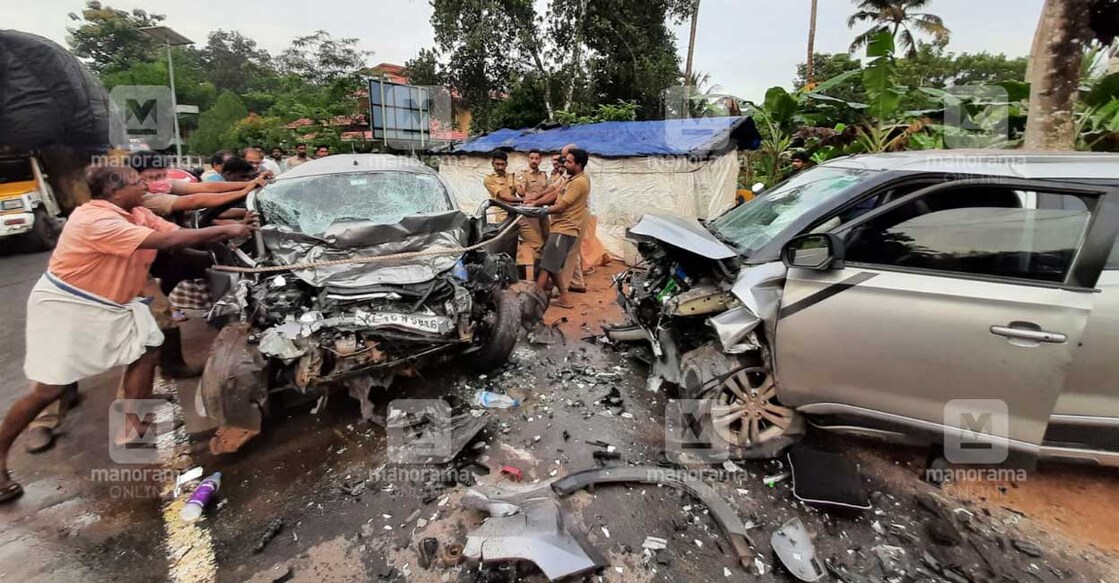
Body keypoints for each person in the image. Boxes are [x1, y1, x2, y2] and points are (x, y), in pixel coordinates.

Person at [0, 165, 253, 503]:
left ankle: (131, 431)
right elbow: (169, 239)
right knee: (49, 389)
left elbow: (173, 236)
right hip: (69, 305)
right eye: (137, 183)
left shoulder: (136, 212)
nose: (145, 186)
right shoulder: (96, 220)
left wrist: (219, 252)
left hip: (117, 302)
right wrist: (228, 231)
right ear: (115, 192)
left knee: (147, 351)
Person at [525, 148, 592, 310]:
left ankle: (534, 301)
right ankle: (564, 297)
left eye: (569, 161)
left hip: (565, 228)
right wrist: (535, 202)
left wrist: (541, 210)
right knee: (552, 265)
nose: (565, 163)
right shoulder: (570, 178)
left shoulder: (578, 182)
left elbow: (561, 206)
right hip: (560, 227)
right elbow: (555, 193)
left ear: (579, 164)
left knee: (546, 267)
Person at [514, 149, 549, 276]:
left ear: (540, 160)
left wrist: (537, 198)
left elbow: (549, 191)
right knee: (536, 244)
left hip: (542, 212)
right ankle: (536, 275)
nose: (534, 161)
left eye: (537, 158)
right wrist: (537, 198)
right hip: (529, 213)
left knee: (547, 241)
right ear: (528, 159)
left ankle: (545, 274)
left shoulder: (543, 175)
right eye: (532, 158)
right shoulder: (522, 174)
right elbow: (521, 192)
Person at [483, 151, 520, 223]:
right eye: (497, 164)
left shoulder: (511, 176)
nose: (500, 167)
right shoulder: (489, 179)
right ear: (492, 164)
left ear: (506, 164)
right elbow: (503, 196)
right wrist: (522, 199)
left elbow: (521, 192)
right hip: (502, 214)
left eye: (502, 164)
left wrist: (520, 185)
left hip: (517, 211)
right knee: (506, 233)